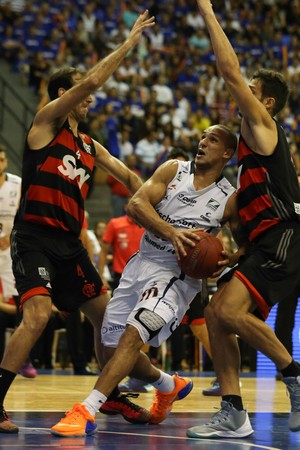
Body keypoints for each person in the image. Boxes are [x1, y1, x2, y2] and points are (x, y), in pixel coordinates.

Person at [0, 10, 155, 434]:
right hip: (34, 236)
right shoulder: (45, 124)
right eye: (81, 95)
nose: (90, 100)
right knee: (37, 316)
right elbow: (91, 82)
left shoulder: (88, 144)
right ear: (62, 93)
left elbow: (129, 176)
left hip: (70, 245)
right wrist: (127, 44)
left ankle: (112, 397)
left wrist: (158, 207)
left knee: (109, 320)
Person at [51, 123, 246, 437]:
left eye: (212, 139)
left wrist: (231, 258)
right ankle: (168, 384)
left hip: (175, 277)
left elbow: (247, 240)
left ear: (227, 152)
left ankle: (85, 410)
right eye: (202, 136)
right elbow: (136, 204)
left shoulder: (229, 198)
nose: (203, 142)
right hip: (140, 264)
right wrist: (172, 232)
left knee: (132, 337)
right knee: (111, 347)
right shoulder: (173, 170)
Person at [187, 0, 300, 440]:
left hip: (285, 240)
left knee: (226, 310)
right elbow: (253, 210)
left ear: (265, 101)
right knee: (217, 316)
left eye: (250, 89)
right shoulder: (253, 152)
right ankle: (233, 412)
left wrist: (208, 11)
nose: (241, 93)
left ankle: (294, 373)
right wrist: (238, 251)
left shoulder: (263, 124)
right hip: (268, 242)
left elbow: (229, 71)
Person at [98, 200, 145, 292]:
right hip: (120, 275)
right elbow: (103, 251)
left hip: (143, 275)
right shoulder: (115, 224)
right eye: (132, 204)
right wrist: (101, 276)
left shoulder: (148, 225)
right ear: (126, 207)